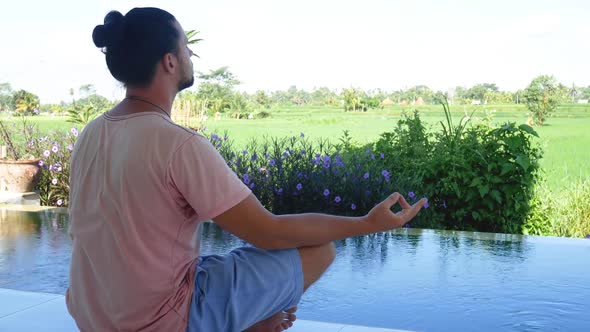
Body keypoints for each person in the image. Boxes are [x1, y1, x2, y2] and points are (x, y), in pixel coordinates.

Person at [66, 7, 427, 332]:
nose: (191, 53)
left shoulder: (91, 133)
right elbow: (268, 232)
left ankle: (251, 321)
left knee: (214, 264)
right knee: (319, 250)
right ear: (169, 62)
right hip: (159, 321)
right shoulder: (177, 144)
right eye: (185, 46)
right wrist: (367, 224)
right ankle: (251, 324)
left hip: (94, 316)